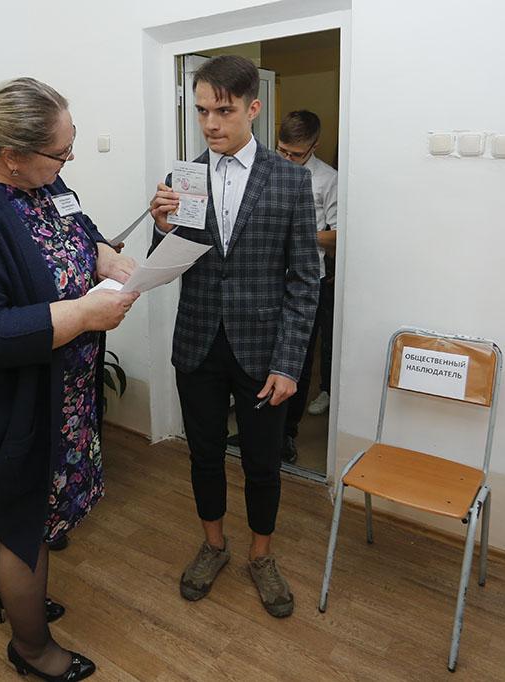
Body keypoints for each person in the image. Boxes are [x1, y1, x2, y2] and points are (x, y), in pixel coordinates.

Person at [0, 77, 138, 681]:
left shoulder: (45, 185)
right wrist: (84, 314)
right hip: (6, 407)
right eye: (60, 152)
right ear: (12, 155)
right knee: (25, 530)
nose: (69, 160)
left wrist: (104, 254)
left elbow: (76, 228)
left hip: (60, 396)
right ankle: (32, 649)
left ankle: (14, 595)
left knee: (36, 522)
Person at [149, 56, 319, 618]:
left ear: (253, 108)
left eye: (222, 111)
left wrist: (290, 363)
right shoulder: (184, 178)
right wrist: (163, 228)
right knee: (203, 455)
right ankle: (213, 545)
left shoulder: (290, 180)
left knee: (263, 463)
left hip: (263, 350)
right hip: (197, 342)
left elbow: (304, 279)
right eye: (201, 111)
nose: (210, 124)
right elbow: (165, 267)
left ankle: (261, 555)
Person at [275, 111, 339, 462]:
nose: (287, 159)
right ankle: (261, 429)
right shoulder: (265, 169)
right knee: (263, 358)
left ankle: (287, 434)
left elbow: (339, 235)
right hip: (267, 278)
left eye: (296, 154)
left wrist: (299, 233)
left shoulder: (328, 179)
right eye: (282, 150)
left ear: (314, 146)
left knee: (295, 361)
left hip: (306, 281)